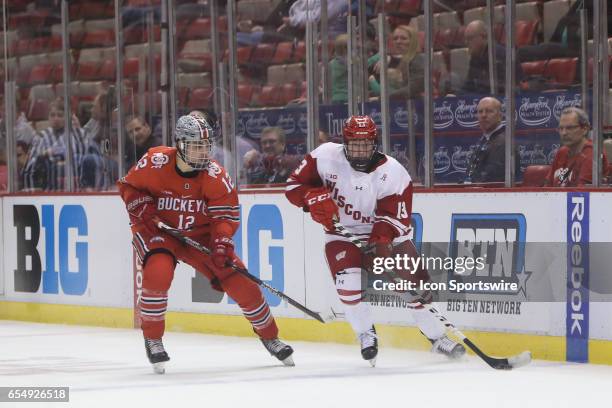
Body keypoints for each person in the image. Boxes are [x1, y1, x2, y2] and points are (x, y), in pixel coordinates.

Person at [117, 115, 294, 373]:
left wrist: (222, 243)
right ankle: (153, 338)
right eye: (196, 146)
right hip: (161, 230)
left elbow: (224, 217)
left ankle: (270, 336)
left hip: (200, 236)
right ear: (180, 144)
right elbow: (129, 187)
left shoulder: (216, 176)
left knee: (241, 283)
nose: (203, 152)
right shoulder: (154, 161)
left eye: (206, 145)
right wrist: (139, 204)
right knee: (158, 272)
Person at [285, 115, 465, 365]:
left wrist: (380, 242)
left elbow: (395, 217)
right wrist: (311, 196)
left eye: (366, 144)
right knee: (348, 285)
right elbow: (293, 186)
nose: (360, 150)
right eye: (355, 144)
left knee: (416, 287)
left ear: (375, 143)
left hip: (388, 235)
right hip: (342, 233)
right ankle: (365, 333)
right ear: (344, 142)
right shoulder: (324, 156)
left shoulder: (393, 173)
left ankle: (437, 338)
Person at [545, 107, 609, 187]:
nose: (564, 133)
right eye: (561, 128)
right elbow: (547, 188)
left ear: (585, 129)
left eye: (569, 128)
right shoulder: (562, 152)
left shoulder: (593, 154)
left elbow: (581, 193)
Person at [36, 98, 88, 191]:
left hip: (78, 189)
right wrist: (45, 154)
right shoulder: (42, 136)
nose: (55, 118)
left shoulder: (80, 134)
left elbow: (85, 158)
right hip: (50, 189)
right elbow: (36, 162)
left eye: (60, 115)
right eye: (52, 115)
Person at [461, 20, 523, 95]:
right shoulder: (475, 57)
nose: (466, 42)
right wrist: (455, 97)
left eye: (469, 38)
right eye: (465, 39)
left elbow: (500, 88)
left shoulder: (499, 55)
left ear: (483, 36)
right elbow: (469, 85)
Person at [465, 96, 519, 183]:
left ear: (500, 116)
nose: (483, 115)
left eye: (489, 111)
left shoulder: (504, 142)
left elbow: (492, 178)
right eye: (480, 111)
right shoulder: (485, 139)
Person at [368, 25, 425, 98]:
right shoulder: (402, 60)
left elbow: (413, 89)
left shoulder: (418, 59)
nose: (398, 41)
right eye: (395, 38)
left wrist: (383, 98)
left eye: (403, 38)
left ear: (412, 41)